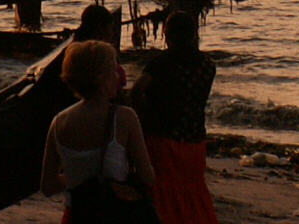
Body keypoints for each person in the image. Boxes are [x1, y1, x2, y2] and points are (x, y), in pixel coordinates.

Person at [41, 39, 155, 221]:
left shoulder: (59, 122)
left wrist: (76, 177)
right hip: (112, 213)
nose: (118, 76)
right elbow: (147, 177)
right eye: (113, 71)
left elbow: (47, 186)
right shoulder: (124, 117)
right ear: (101, 78)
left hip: (76, 214)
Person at [132, 13, 218, 224]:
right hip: (195, 138)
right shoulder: (208, 65)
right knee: (193, 193)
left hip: (163, 137)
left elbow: (136, 90)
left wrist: (143, 112)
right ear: (194, 34)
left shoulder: (161, 63)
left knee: (164, 195)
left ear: (167, 35)